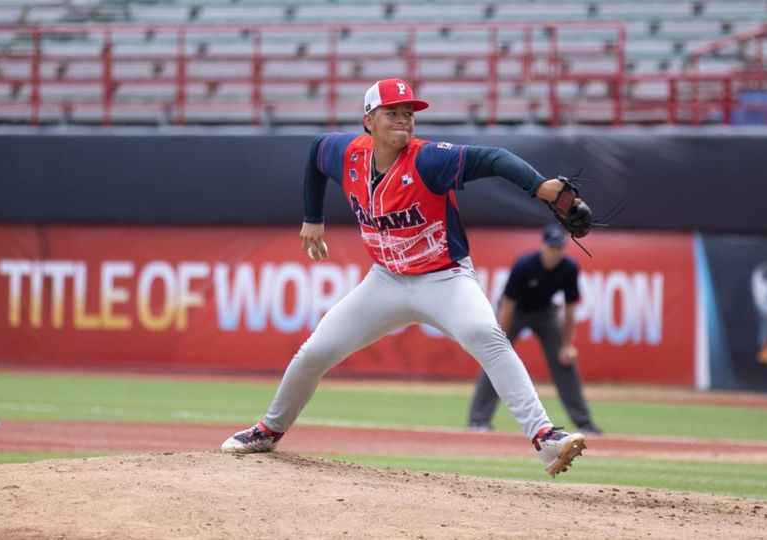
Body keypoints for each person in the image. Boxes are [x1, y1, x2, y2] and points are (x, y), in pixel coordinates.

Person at [221, 78, 588, 477]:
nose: (403, 121)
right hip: (386, 280)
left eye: (408, 114)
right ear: (369, 121)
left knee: (487, 337)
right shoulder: (347, 154)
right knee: (315, 351)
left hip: (444, 279)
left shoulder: (429, 160)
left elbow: (495, 157)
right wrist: (312, 217)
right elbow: (314, 152)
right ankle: (269, 430)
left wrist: (540, 187)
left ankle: (545, 437)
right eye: (392, 113)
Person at [468, 224, 603, 434]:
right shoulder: (525, 266)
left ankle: (584, 423)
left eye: (559, 248)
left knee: (564, 362)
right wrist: (500, 340)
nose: (554, 253)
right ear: (543, 246)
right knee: (495, 360)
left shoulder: (569, 268)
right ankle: (478, 420)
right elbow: (508, 304)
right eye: (551, 247)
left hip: (545, 313)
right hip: (515, 312)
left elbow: (569, 310)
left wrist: (567, 345)